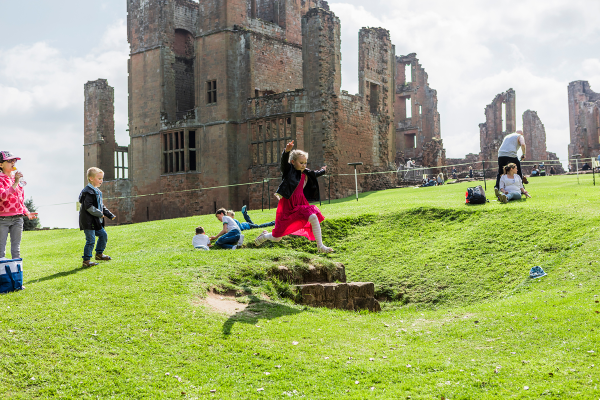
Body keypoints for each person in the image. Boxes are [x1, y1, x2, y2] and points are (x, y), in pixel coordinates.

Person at [254, 140, 332, 253]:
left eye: (305, 163)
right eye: (301, 163)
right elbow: (283, 164)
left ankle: (320, 246)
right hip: (287, 206)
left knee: (313, 217)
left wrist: (323, 170)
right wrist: (286, 151)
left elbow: (315, 173)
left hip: (300, 204)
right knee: (277, 237)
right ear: (293, 162)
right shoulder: (288, 170)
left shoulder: (305, 172)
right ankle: (265, 236)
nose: (304, 165)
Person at [0, 151, 38, 260]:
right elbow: (3, 196)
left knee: (16, 249)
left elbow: (20, 200)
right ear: (0, 164)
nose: (13, 163)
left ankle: (17, 275)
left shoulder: (16, 178)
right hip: (3, 219)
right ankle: (2, 275)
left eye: (14, 161)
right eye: (9, 161)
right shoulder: (1, 179)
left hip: (18, 218)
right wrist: (15, 183)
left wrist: (27, 212)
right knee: (1, 249)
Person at [79, 167, 116, 267]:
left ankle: (99, 254)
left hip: (95, 221)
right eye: (99, 178)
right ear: (91, 178)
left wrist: (109, 215)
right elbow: (88, 207)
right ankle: (86, 261)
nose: (101, 181)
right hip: (88, 221)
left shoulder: (97, 191)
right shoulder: (88, 192)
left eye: (102, 178)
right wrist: (100, 214)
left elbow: (101, 206)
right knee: (90, 240)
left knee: (103, 235)